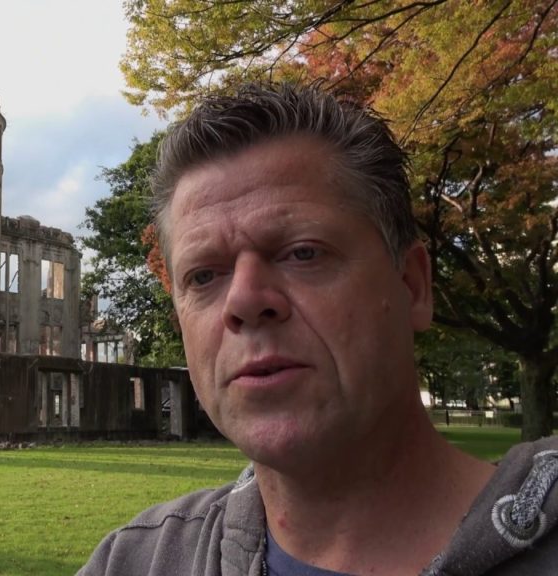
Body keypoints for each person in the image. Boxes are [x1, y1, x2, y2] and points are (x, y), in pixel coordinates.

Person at [78, 84, 558, 576]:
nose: (243, 302)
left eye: (303, 252)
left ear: (413, 286)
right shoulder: (133, 562)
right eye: (203, 276)